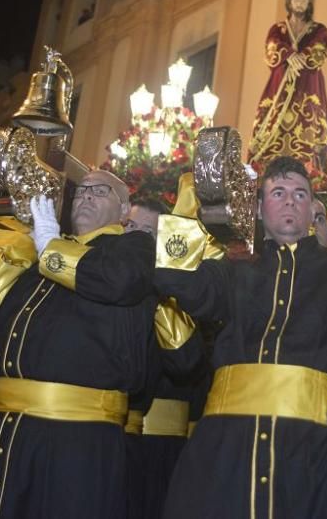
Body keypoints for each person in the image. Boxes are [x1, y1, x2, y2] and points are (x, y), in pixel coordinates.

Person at [154, 156, 327, 519]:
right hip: (225, 447)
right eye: (277, 192)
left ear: (311, 210)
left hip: (316, 449)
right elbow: (173, 280)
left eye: (300, 194)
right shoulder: (233, 268)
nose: (290, 200)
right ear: (257, 209)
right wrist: (198, 188)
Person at [0, 169, 156, 518]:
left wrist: (51, 246)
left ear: (124, 211)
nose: (86, 196)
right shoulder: (41, 251)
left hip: (71, 439)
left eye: (101, 190)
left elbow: (118, 281)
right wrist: (13, 257)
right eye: (81, 190)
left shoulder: (131, 248)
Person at [125, 198, 206, 519]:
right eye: (131, 227)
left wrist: (157, 292)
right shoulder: (100, 278)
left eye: (148, 233)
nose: (136, 239)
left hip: (158, 448)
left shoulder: (178, 294)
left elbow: (188, 361)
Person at [248, 0, 327, 170]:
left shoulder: (318, 29)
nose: (300, 3)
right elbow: (272, 45)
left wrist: (301, 57)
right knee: (271, 120)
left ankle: (313, 166)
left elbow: (320, 47)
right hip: (280, 81)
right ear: (289, 3)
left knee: (309, 119)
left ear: (309, 4)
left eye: (304, 0)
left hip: (308, 81)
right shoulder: (278, 28)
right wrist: (289, 55)